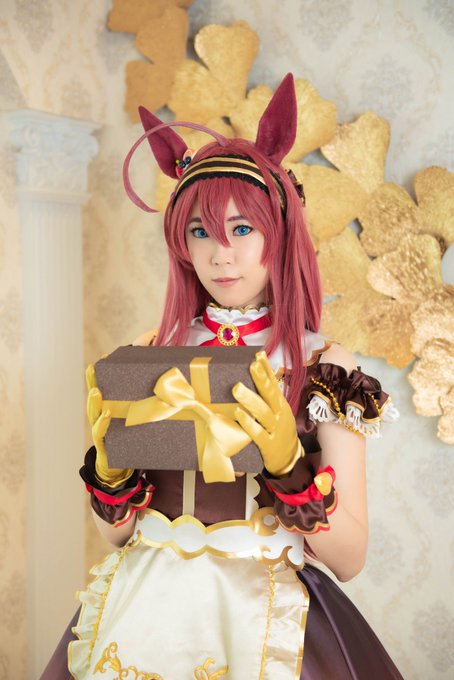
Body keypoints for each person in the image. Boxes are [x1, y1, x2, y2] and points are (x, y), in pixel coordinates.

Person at [41, 74, 403, 679]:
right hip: (144, 608)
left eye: (241, 229)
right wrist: (110, 474)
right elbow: (117, 538)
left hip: (265, 611)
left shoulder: (326, 366)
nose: (220, 254)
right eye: (200, 232)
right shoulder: (150, 353)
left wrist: (291, 471)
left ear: (278, 234)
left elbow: (350, 558)